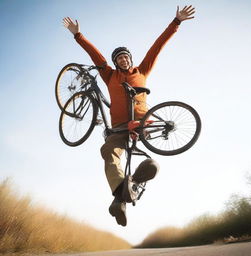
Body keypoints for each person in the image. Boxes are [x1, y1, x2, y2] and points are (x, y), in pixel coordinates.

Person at [63, 5, 195, 227]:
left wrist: (176, 22)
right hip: (119, 128)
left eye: (125, 57)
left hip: (141, 124)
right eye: (119, 58)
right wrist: (78, 35)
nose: (123, 60)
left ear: (130, 59)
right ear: (115, 63)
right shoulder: (110, 76)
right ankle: (122, 196)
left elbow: (157, 47)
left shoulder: (142, 70)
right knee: (108, 152)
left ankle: (120, 197)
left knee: (153, 166)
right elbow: (95, 56)